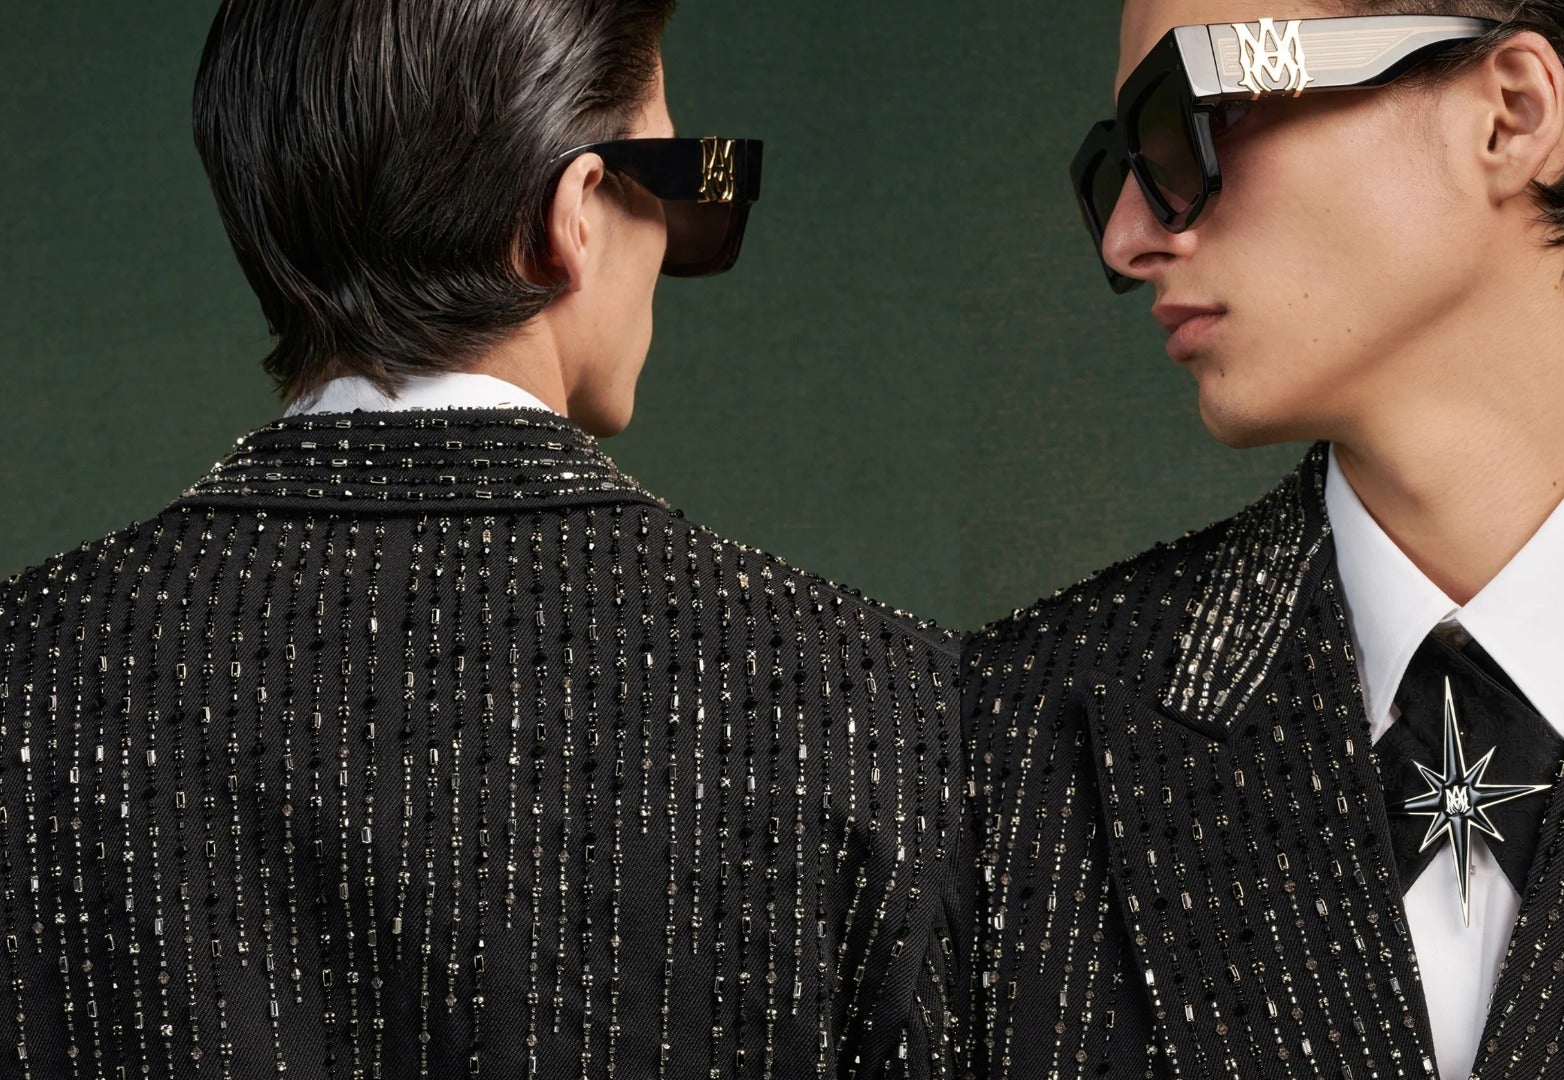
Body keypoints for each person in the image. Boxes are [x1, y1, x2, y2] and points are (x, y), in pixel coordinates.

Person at [0, 1, 965, 1075]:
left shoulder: (29, 676)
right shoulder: (880, 710)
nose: (672, 242)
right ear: (578, 212)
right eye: (684, 182)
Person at [964, 1, 1564, 1077]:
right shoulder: (1001, 750)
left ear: (1509, 116)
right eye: (1115, 169)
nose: (1127, 237)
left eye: (1195, 119)